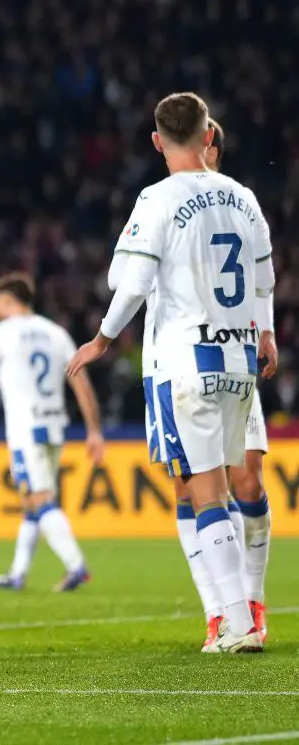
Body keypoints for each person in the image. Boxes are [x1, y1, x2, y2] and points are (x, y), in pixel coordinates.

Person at [69, 92, 276, 654]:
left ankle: (238, 622)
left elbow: (130, 283)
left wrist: (102, 339)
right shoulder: (244, 196)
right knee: (217, 489)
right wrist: (266, 333)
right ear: (209, 135)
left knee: (205, 493)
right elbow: (264, 278)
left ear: (158, 141)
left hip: (183, 364)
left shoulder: (156, 198)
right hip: (238, 362)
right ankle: (233, 617)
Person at [125, 119, 272, 648]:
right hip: (174, 362)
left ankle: (250, 603)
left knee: (247, 480)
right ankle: (220, 612)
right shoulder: (164, 206)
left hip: (231, 358)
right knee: (189, 486)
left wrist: (266, 331)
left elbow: (262, 278)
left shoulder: (236, 205)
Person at [0, 273, 103, 591]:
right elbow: (81, 384)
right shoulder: (56, 333)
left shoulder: (0, 334)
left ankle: (76, 566)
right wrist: (94, 429)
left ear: (8, 302)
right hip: (54, 425)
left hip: (26, 428)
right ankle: (18, 573)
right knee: (31, 499)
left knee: (40, 498)